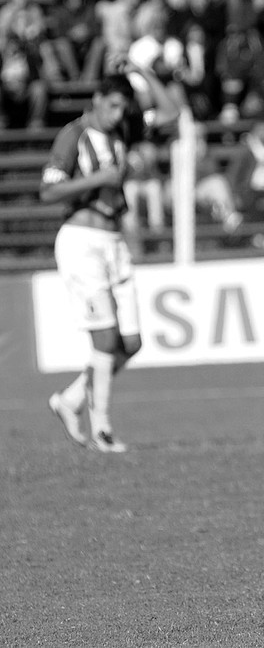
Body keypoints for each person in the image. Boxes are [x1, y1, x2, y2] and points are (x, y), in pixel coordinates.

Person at [41, 64, 178, 452]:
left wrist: (142, 71)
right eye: (114, 106)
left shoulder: (121, 129)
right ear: (98, 100)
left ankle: (70, 401)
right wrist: (98, 180)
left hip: (114, 242)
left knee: (130, 343)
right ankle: (101, 428)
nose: (119, 115)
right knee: (104, 338)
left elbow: (170, 114)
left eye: (124, 108)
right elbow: (48, 192)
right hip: (81, 241)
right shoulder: (72, 136)